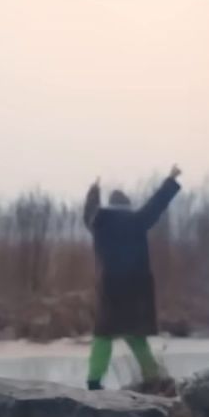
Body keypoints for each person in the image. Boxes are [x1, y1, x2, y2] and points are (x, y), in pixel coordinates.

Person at [82, 165, 183, 391]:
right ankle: (153, 378)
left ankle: (94, 382)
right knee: (136, 337)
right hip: (136, 289)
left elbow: (88, 211)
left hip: (109, 288)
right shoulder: (137, 221)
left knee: (103, 336)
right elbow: (157, 204)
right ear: (127, 206)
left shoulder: (99, 223)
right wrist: (171, 179)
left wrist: (94, 190)